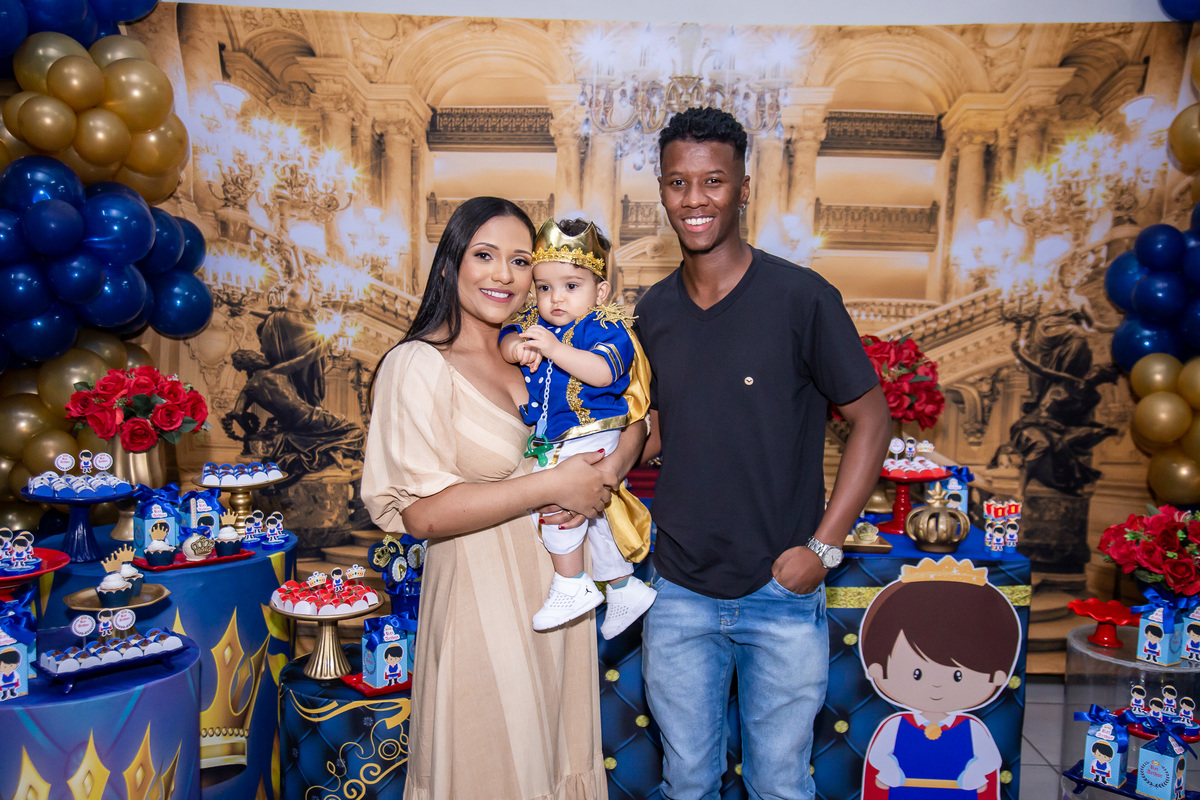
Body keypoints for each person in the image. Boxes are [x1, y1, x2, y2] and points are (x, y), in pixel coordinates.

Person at [633, 106, 891, 799]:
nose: (695, 199)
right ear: (662, 191)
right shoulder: (651, 313)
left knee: (780, 786)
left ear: (743, 189)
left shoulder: (801, 298)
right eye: (678, 182)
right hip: (677, 589)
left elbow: (872, 420)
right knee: (687, 783)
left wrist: (823, 550)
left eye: (713, 181)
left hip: (781, 590)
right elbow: (657, 433)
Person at [362, 196, 643, 800]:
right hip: (479, 608)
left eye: (520, 261)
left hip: (561, 602)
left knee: (556, 764)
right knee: (490, 768)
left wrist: (607, 472)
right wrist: (553, 485)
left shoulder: (541, 353)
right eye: (484, 255)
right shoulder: (417, 365)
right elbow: (420, 514)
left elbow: (638, 419)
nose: (504, 275)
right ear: (450, 265)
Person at [500, 217, 655, 638]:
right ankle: (623, 587)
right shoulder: (534, 324)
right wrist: (516, 347)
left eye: (571, 286)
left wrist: (553, 348)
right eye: (544, 287)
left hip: (591, 430)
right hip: (562, 435)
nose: (555, 298)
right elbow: (506, 337)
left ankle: (571, 583)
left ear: (600, 292)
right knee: (598, 514)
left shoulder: (605, 326)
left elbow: (603, 372)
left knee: (553, 504)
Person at [858, 558, 1021, 798]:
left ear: (997, 677)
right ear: (877, 670)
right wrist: (889, 769)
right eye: (917, 673)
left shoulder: (972, 729)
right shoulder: (894, 726)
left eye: (958, 675)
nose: (936, 684)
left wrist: (975, 772)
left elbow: (990, 760)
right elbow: (878, 756)